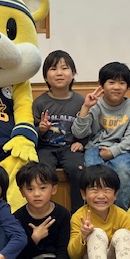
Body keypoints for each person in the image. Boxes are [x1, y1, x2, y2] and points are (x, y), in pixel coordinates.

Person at [13, 162, 108, 259]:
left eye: (42, 188)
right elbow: (18, 257)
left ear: (54, 189)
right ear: (22, 192)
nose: (36, 194)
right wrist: (34, 239)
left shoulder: (62, 214)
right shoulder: (18, 218)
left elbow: (64, 249)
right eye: (30, 189)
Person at [72, 62, 130, 210]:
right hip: (94, 148)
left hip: (121, 149)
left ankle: (120, 213)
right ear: (101, 84)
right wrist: (86, 107)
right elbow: (79, 133)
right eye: (111, 82)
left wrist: (113, 151)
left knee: (123, 170)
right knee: (92, 172)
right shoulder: (95, 104)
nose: (116, 87)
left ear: (128, 86)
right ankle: (93, 211)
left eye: (122, 83)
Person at [33, 50, 86, 213]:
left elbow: (87, 127)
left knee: (78, 169)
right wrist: (41, 129)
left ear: (73, 73)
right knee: (42, 170)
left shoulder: (80, 101)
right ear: (45, 76)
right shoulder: (39, 102)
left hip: (70, 148)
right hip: (45, 148)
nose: (59, 73)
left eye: (64, 68)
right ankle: (43, 211)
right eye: (53, 69)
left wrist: (81, 143)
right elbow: (31, 132)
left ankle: (77, 213)